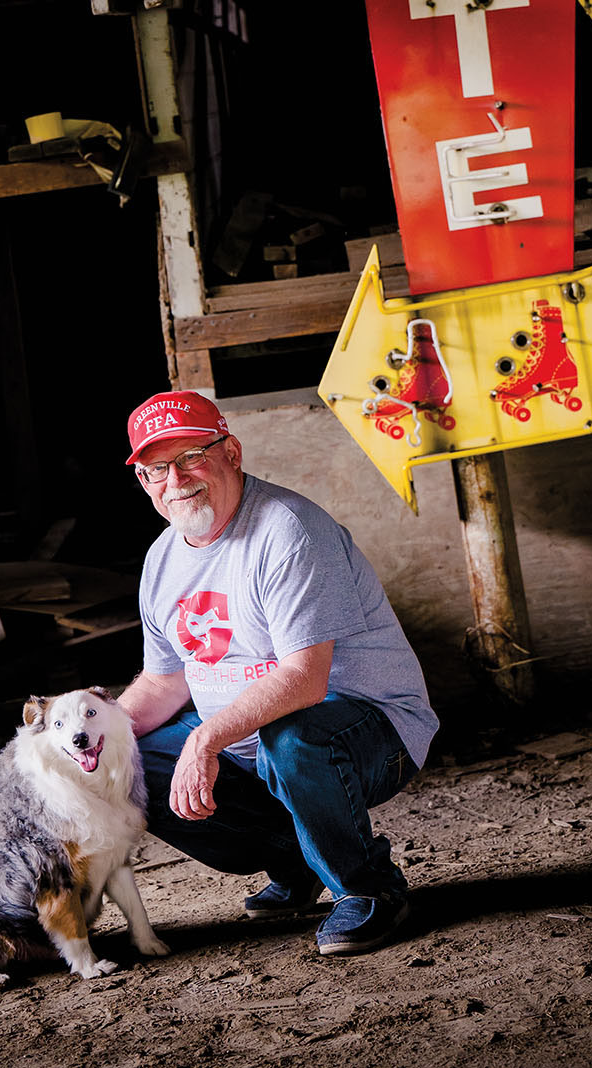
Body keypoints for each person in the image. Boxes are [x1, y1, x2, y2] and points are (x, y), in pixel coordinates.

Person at [115, 390, 438, 956]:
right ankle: (298, 856)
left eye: (192, 455)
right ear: (143, 481)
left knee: (292, 738)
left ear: (231, 452)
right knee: (127, 762)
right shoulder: (161, 560)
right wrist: (96, 737)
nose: (177, 478)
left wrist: (205, 737)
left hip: (368, 731)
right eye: (158, 467)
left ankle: (370, 889)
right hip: (251, 744)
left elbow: (306, 680)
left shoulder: (288, 529)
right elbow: (166, 680)